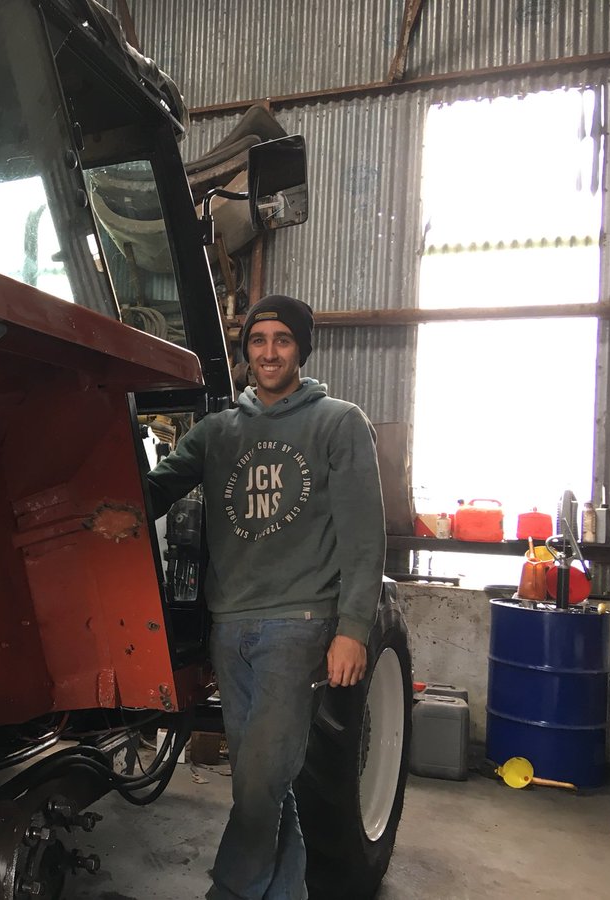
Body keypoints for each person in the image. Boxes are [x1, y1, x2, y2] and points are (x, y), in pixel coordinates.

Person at [145, 294, 385, 900]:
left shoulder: (338, 422)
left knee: (259, 780)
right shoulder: (218, 431)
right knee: (262, 783)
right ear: (246, 351)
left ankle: (229, 891)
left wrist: (353, 628)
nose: (269, 352)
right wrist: (108, 505)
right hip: (230, 623)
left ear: (301, 349)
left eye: (282, 339)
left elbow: (364, 535)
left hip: (299, 621)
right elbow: (158, 486)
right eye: (258, 340)